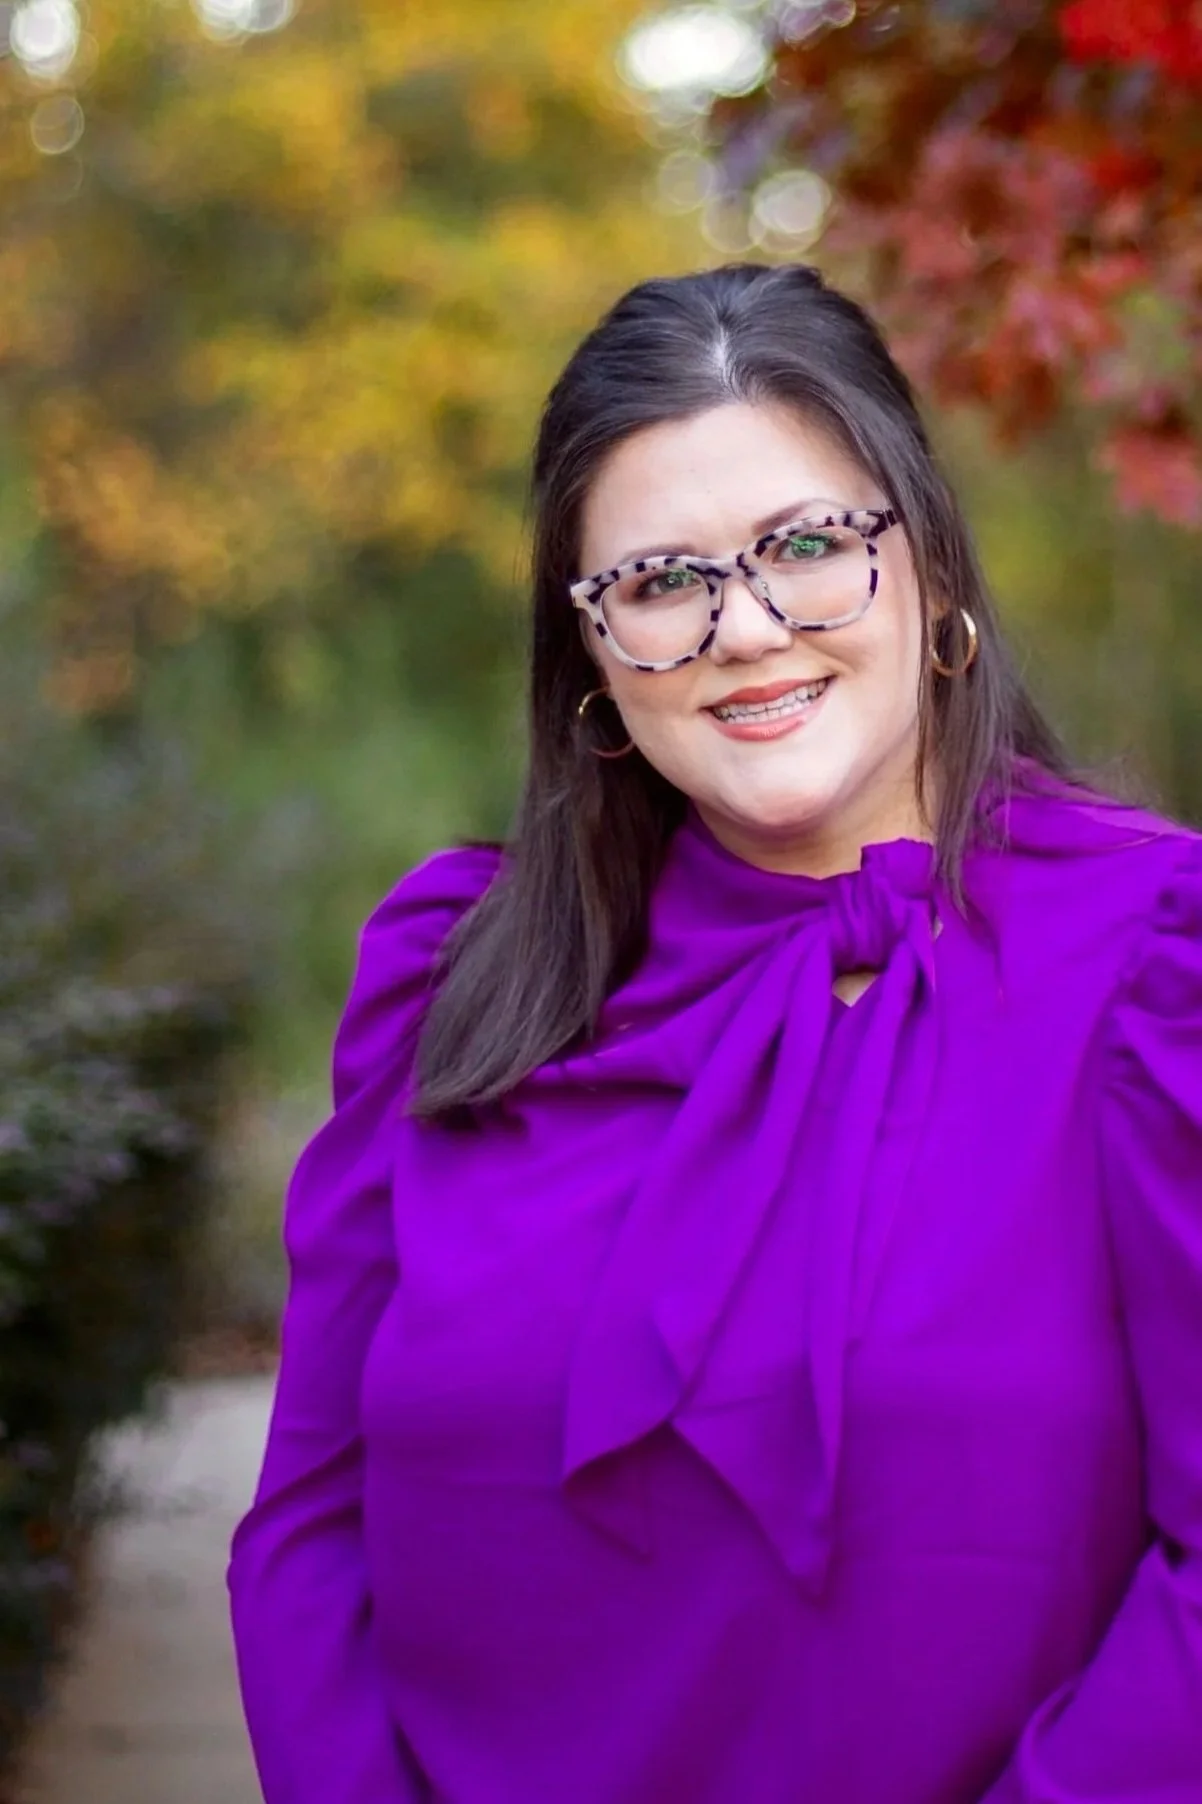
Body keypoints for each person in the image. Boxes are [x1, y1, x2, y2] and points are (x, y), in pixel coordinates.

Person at [226, 262, 1202, 1804]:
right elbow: (308, 1527)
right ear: (593, 658)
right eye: (660, 582)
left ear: (932, 567)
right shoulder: (455, 977)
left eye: (808, 546)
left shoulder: (1158, 964)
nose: (742, 627)